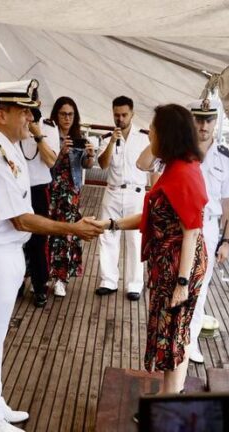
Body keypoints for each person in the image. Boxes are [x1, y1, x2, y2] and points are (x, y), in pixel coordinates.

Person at [0, 79, 103, 432]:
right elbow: (21, 218)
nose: (30, 117)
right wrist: (72, 229)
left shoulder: (7, 146)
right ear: (1, 114)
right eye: (23, 111)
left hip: (7, 251)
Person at [94, 103, 208, 395]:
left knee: (174, 334)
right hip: (167, 265)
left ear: (166, 134)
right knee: (171, 333)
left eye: (154, 130)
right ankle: (168, 395)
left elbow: (192, 231)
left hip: (179, 268)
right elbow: (143, 167)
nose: (150, 134)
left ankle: (169, 398)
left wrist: (182, 283)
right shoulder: (173, 166)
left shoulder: (184, 173)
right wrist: (110, 224)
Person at [137, 98, 229, 364]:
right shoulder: (174, 154)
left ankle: (187, 344)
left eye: (209, 120)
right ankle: (180, 347)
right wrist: (160, 134)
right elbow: (143, 164)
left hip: (205, 227)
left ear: (215, 122)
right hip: (173, 229)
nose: (204, 125)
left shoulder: (224, 157)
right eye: (198, 120)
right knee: (174, 296)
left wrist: (226, 240)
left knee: (196, 291)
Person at [96, 96, 150, 300]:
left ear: (132, 114)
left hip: (136, 193)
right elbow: (103, 165)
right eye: (116, 115)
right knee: (107, 235)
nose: (120, 119)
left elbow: (153, 166)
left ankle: (134, 284)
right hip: (112, 191)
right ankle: (108, 281)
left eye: (124, 115)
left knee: (135, 239)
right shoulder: (106, 138)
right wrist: (112, 142)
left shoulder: (144, 138)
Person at [47, 97, 97, 298]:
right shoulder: (49, 136)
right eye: (63, 114)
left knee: (66, 234)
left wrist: (90, 155)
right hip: (50, 189)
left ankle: (61, 279)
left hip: (70, 193)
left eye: (71, 114)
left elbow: (86, 165)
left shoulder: (78, 137)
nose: (67, 118)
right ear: (56, 115)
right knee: (46, 232)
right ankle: (42, 274)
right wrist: (61, 152)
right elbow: (48, 165)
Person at [18, 107, 58, 307]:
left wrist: (38, 135)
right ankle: (16, 282)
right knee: (14, 238)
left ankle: (40, 285)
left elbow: (51, 161)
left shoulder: (49, 127)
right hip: (17, 188)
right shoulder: (16, 125)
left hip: (38, 189)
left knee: (38, 240)